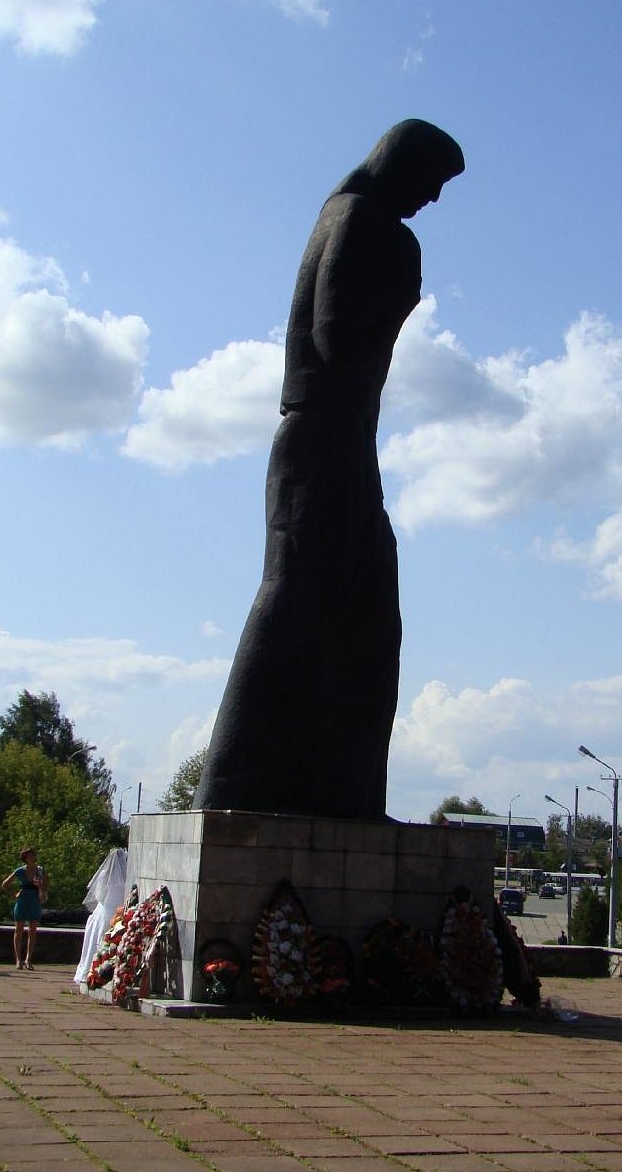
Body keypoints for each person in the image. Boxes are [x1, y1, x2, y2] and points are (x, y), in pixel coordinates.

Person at [194, 119, 464, 820]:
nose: (433, 200)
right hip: (323, 437)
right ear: (401, 165)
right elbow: (336, 336)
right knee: (294, 598)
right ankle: (226, 786)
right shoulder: (359, 220)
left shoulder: (345, 215)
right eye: (432, 182)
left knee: (363, 616)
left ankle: (339, 793)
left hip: (338, 438)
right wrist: (401, 299)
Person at [74, 848, 128, 984]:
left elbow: (99, 895)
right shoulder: (126, 875)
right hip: (114, 911)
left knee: (95, 943)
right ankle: (98, 972)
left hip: (103, 910)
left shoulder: (104, 874)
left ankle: (90, 971)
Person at [1, 847, 48, 970]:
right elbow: (5, 884)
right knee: (19, 930)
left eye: (34, 855)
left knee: (32, 931)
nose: (33, 858)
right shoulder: (20, 871)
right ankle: (18, 959)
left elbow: (46, 886)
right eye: (30, 856)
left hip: (34, 900)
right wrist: (14, 894)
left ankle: (29, 959)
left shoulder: (40, 871)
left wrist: (40, 887)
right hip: (23, 900)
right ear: (25, 858)